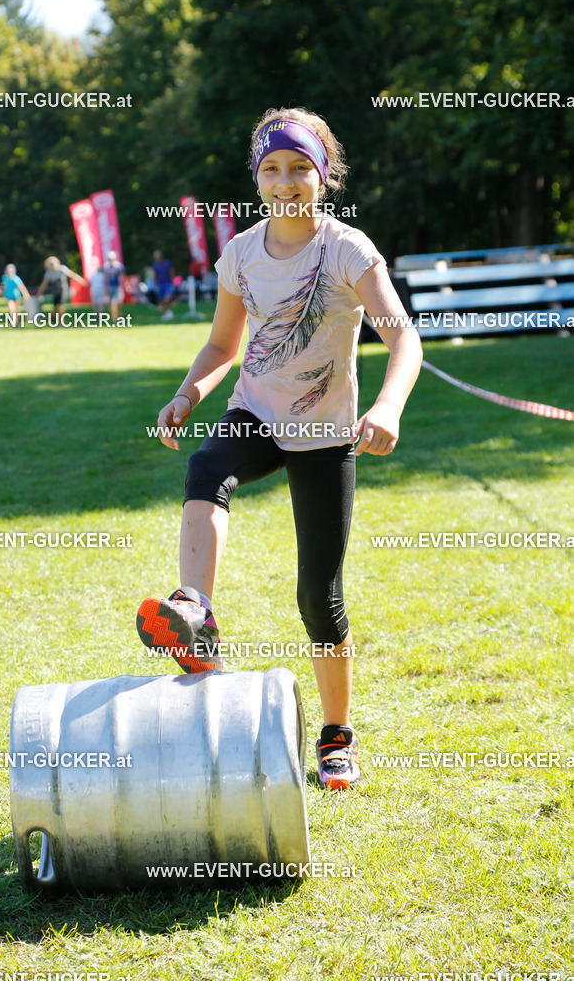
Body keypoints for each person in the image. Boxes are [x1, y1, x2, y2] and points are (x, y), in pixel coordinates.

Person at [135, 107, 423, 791]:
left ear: (323, 175)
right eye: (271, 168)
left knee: (318, 597)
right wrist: (187, 393)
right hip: (256, 414)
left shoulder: (347, 249)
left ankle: (336, 735)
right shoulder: (241, 254)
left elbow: (403, 338)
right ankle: (195, 613)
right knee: (208, 466)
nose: (285, 180)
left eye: (299, 167)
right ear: (257, 178)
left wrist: (387, 407)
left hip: (325, 433)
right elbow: (221, 344)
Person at [36, 256, 86, 324]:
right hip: (55, 291)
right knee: (54, 308)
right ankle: (54, 320)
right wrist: (39, 293)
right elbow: (44, 284)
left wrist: (82, 281)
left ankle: (61, 323)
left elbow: (73, 275)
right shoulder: (49, 272)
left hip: (63, 290)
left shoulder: (62, 269)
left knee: (60, 306)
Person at [103, 250, 126, 324]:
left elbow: (123, 275)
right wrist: (105, 286)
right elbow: (105, 277)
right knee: (112, 303)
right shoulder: (106, 266)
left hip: (117, 286)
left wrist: (125, 285)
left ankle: (120, 316)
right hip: (110, 286)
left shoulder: (119, 266)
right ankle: (114, 318)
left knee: (119, 302)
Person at [152, 249, 175, 320]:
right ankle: (165, 314)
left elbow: (171, 272)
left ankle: (168, 311)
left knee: (167, 298)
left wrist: (172, 282)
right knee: (161, 300)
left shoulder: (167, 263)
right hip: (160, 284)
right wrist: (155, 285)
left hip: (167, 283)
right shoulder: (155, 265)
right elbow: (155, 275)